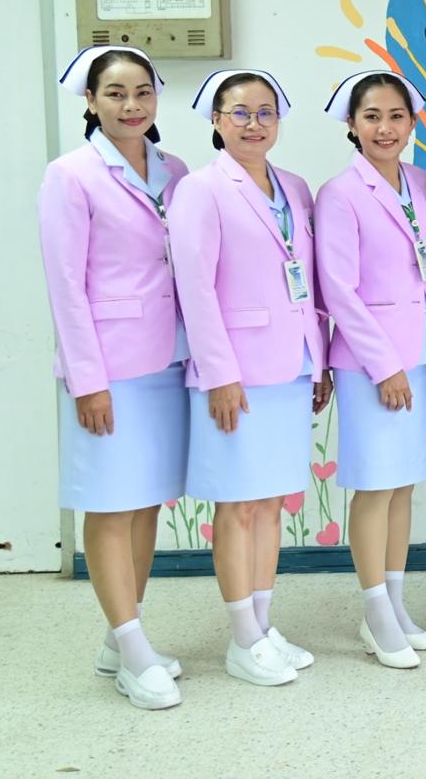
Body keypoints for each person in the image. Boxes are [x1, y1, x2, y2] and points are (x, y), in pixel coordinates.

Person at [39, 46, 188, 711]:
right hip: (110, 364)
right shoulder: (70, 176)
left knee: (147, 499)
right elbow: (65, 285)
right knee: (110, 504)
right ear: (91, 100)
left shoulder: (175, 170)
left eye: (143, 93)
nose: (132, 106)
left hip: (169, 357)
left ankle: (119, 639)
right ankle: (134, 653)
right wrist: (87, 380)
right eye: (116, 93)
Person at [170, 69, 331, 687]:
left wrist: (318, 361)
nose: (254, 123)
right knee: (237, 505)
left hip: (291, 366)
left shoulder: (294, 187)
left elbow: (305, 280)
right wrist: (218, 374)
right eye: (239, 112)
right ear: (216, 120)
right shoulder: (201, 190)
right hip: (235, 372)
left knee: (270, 503)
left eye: (265, 112)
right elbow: (195, 289)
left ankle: (262, 627)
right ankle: (242, 639)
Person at [315, 69, 426, 669]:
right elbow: (338, 290)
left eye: (396, 116)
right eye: (372, 117)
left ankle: (395, 604)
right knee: (373, 485)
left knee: (402, 483)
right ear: (352, 124)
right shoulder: (339, 194)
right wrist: (384, 366)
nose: (385, 128)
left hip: (423, 349)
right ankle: (373, 613)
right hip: (373, 362)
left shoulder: (420, 182)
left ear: (412, 122)